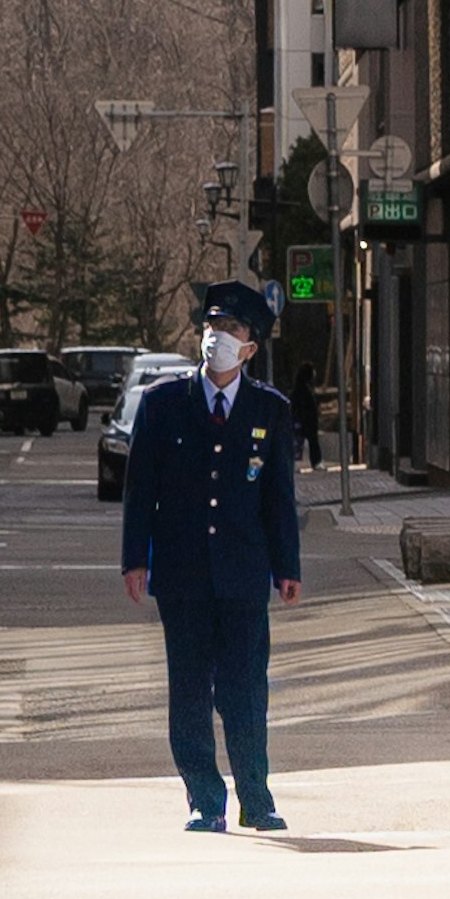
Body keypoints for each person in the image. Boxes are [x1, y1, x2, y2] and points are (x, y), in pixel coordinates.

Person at [118, 276, 301, 832]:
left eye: (234, 329)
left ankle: (255, 795)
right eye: (214, 325)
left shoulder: (270, 409)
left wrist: (287, 567)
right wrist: (134, 559)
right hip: (183, 574)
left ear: (251, 346)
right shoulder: (162, 405)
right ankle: (204, 797)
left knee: (245, 691)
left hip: (244, 574)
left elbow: (278, 497)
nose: (220, 336)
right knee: (191, 692)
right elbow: (139, 489)